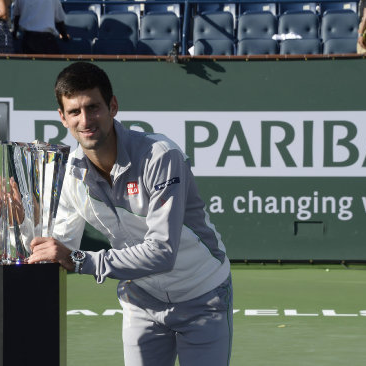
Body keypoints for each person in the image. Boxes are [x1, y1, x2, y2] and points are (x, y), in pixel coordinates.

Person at [27, 61, 233, 366]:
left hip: (202, 295)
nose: (85, 120)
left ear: (113, 106)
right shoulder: (69, 174)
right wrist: (21, 220)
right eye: (74, 112)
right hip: (141, 303)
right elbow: (58, 246)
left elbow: (163, 252)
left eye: (93, 107)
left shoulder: (160, 155)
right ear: (62, 117)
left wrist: (81, 260)